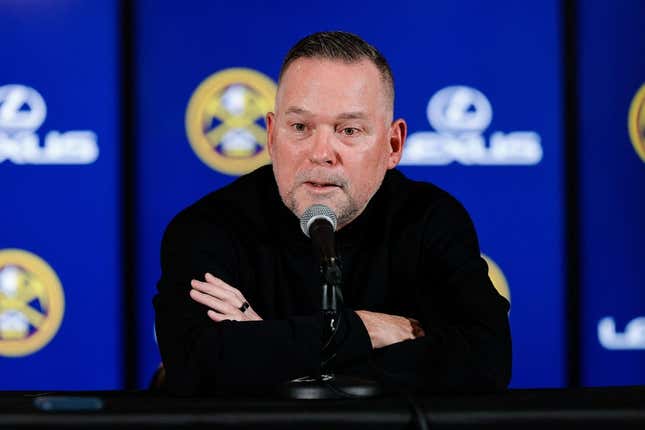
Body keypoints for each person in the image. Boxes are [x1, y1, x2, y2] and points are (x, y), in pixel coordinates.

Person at [154, 31, 511, 396]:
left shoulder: (430, 219)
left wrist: (270, 352)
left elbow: (485, 362)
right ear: (272, 135)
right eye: (300, 128)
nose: (321, 152)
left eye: (349, 130)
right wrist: (367, 330)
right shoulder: (209, 227)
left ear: (393, 145)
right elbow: (196, 366)